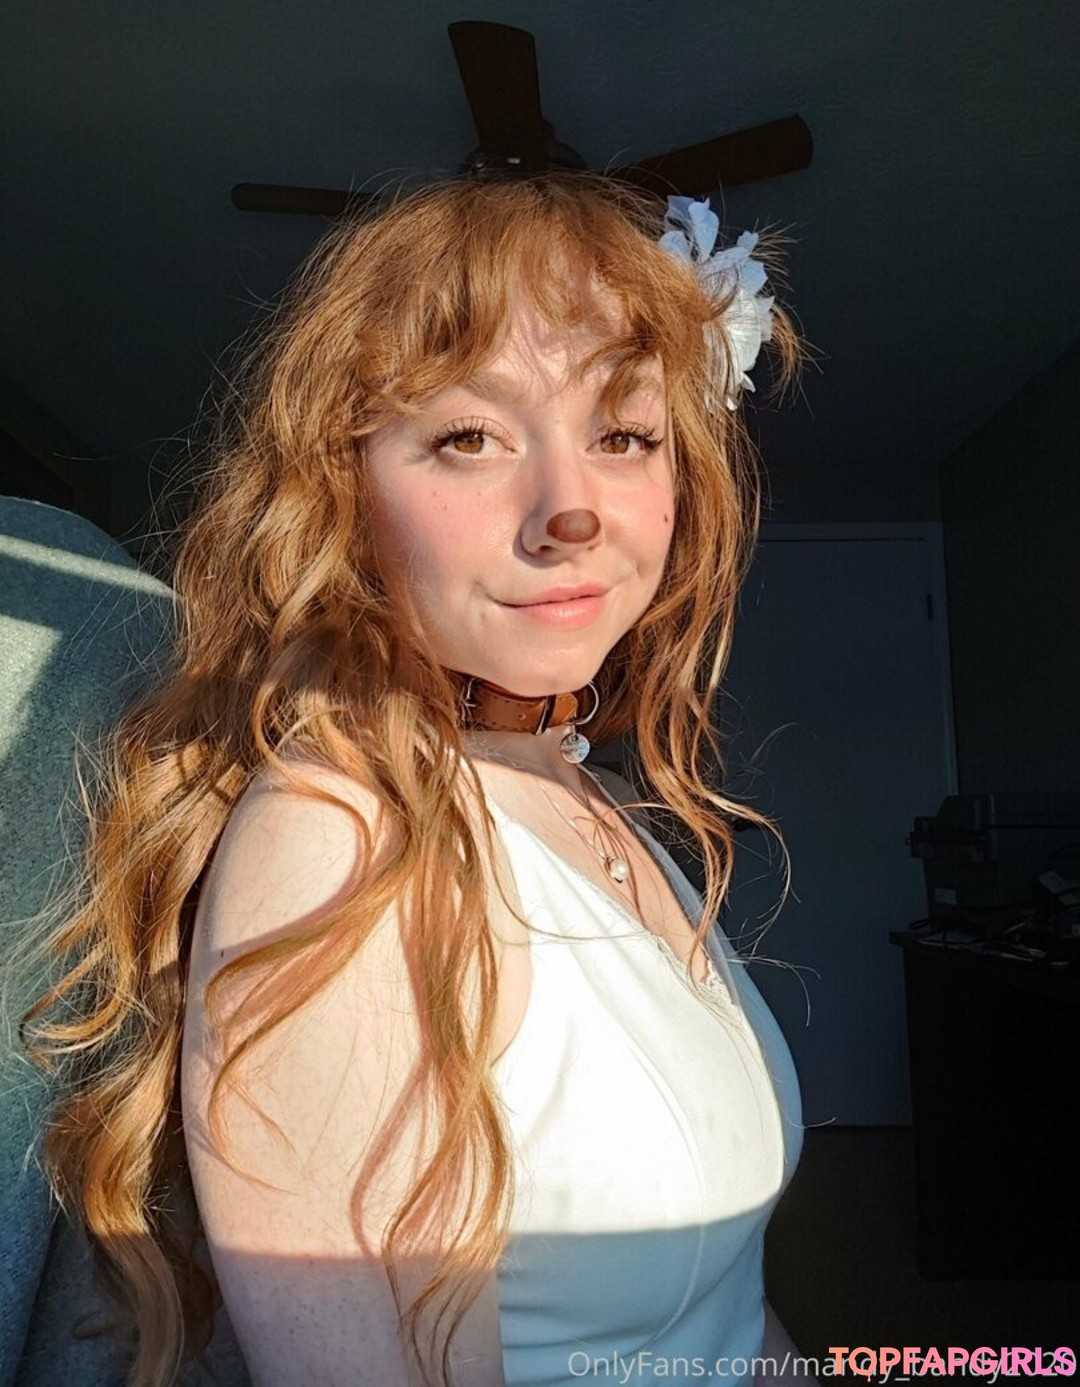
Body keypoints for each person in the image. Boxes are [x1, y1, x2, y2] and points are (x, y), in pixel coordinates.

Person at [16, 172, 807, 1386]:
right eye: (470, 437)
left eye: (622, 434)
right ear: (345, 494)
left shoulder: (588, 797)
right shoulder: (340, 840)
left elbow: (727, 1319)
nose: (570, 509)